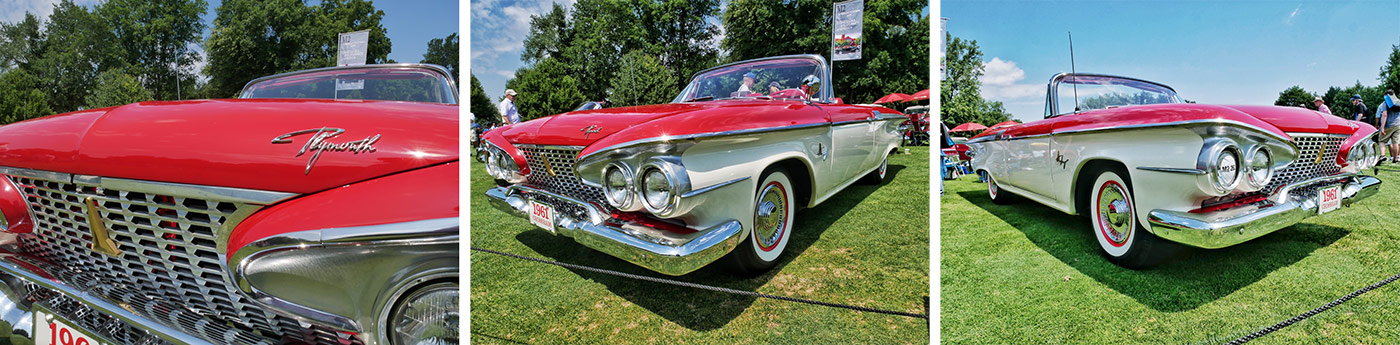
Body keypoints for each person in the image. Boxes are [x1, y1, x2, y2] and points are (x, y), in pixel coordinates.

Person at [1380, 90, 1400, 163]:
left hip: (1389, 125)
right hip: (1398, 124)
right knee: (1396, 142)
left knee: (1381, 140)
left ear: (1386, 95)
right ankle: (1395, 159)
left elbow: (1384, 115)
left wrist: (1382, 127)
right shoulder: (1398, 101)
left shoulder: (1385, 103)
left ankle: (1382, 156)